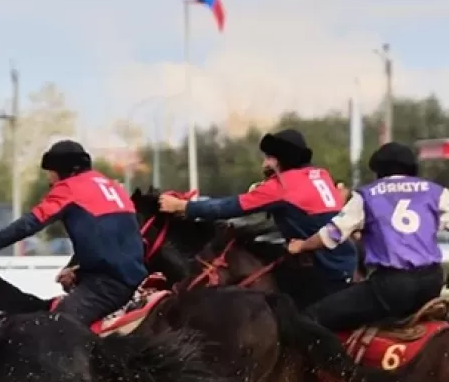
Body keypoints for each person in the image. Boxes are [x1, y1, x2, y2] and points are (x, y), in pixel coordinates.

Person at [158, 129, 357, 308]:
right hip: (345, 261)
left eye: (268, 158)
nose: (264, 163)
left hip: (322, 273)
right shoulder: (319, 174)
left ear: (279, 160)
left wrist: (183, 206)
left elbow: (229, 207)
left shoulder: (282, 186)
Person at [287, 142, 449, 332]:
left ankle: (336, 362)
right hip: (431, 284)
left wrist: (302, 246)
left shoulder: (367, 195)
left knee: (309, 319)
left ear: (378, 170)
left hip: (390, 288)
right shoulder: (437, 192)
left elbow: (332, 234)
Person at [0, 140, 146, 327]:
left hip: (107, 284)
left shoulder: (69, 188)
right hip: (133, 276)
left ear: (63, 169)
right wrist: (77, 269)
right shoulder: (111, 186)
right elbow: (108, 238)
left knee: (56, 328)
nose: (49, 179)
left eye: (50, 172)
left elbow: (31, 223)